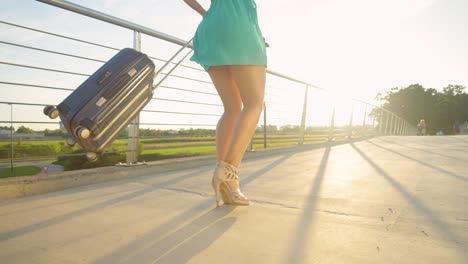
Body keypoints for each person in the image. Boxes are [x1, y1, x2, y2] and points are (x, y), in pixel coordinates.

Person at [183, 0, 268, 206]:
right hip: (239, 29)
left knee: (232, 108)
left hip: (210, 31)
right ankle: (229, 171)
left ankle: (228, 181)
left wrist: (206, 13)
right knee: (254, 103)